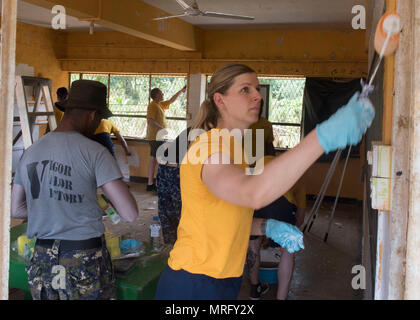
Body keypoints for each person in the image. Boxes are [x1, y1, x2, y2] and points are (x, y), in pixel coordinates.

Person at [154, 64, 374, 300]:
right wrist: (324, 137)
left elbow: (222, 218)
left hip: (223, 279)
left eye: (257, 89)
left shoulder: (233, 148)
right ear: (220, 100)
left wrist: (265, 226)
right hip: (194, 282)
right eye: (245, 89)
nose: (258, 95)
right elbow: (252, 193)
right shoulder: (209, 147)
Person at [11, 80, 139, 300]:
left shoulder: (30, 152)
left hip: (42, 259)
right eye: (99, 118)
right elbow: (130, 213)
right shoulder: (96, 152)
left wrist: (54, 209)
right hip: (84, 260)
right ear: (92, 114)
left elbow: (17, 209)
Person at [247, 156, 306, 300]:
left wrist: (265, 234)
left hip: (254, 196)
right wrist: (284, 232)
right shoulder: (297, 174)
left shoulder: (260, 162)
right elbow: (300, 219)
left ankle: (255, 289)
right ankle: (281, 297)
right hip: (281, 199)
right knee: (288, 248)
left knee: (253, 244)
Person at [146, 86, 186, 192]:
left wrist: (180, 91)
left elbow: (171, 100)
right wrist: (161, 128)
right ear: (156, 95)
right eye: (161, 93)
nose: (163, 94)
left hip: (159, 136)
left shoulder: (160, 105)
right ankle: (156, 183)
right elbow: (150, 120)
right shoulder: (152, 106)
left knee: (154, 159)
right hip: (155, 137)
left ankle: (152, 183)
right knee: (158, 160)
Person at [156, 127, 191, 245]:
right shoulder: (208, 133)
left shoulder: (196, 128)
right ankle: (178, 247)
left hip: (166, 167)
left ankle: (172, 246)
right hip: (175, 169)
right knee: (180, 212)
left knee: (167, 210)